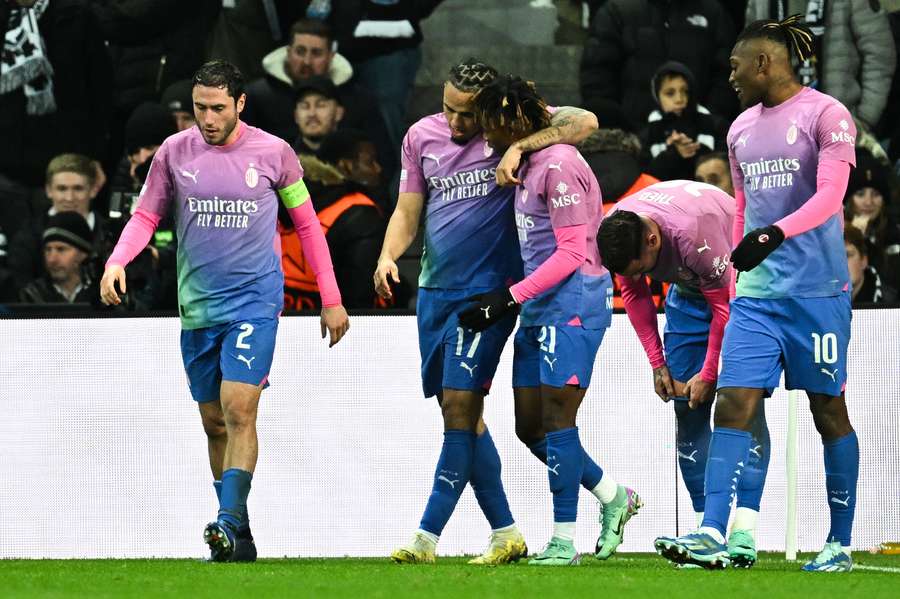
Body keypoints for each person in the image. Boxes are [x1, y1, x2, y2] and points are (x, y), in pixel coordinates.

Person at [99, 60, 350, 562]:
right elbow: (147, 213)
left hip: (255, 303)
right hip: (197, 308)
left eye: (217, 108)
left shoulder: (276, 154)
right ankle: (239, 531)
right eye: (198, 109)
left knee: (239, 407)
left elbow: (305, 227)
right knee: (214, 422)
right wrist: (116, 261)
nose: (207, 119)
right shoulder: (173, 152)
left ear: (240, 103)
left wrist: (331, 297)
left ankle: (226, 521)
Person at [373, 59, 601, 565]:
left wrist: (520, 145)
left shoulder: (506, 131)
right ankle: (509, 531)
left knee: (460, 408)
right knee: (462, 417)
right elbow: (409, 209)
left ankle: (425, 537)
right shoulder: (421, 137)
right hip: (435, 292)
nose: (455, 124)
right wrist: (389, 255)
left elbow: (585, 121)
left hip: (490, 295)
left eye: (467, 115)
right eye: (448, 110)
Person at [654, 16, 860, 572]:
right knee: (733, 402)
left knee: (828, 411)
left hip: (817, 293)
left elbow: (831, 197)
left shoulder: (827, 114)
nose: (731, 76)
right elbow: (743, 207)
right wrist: (744, 259)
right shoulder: (740, 127)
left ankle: (839, 543)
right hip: (758, 295)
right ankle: (712, 533)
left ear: (764, 62)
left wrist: (773, 235)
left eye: (736, 66)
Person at [467, 75, 640, 566]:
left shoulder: (559, 165)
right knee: (530, 427)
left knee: (560, 421)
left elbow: (569, 253)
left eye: (489, 128)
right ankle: (613, 496)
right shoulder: (536, 151)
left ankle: (563, 541)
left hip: (574, 305)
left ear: (510, 121)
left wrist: (508, 299)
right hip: (541, 305)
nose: (486, 139)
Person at [597, 180, 770, 567]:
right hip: (689, 291)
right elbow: (634, 295)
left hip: (742, 290)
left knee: (741, 405)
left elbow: (725, 308)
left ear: (653, 241)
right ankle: (702, 533)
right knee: (685, 407)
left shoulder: (694, 234)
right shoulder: (618, 231)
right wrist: (657, 363)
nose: (637, 274)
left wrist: (709, 372)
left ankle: (743, 530)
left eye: (641, 268)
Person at [242, 19, 395, 179]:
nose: (307, 61)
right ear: (288, 52)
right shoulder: (257, 96)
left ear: (331, 57)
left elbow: (384, 161)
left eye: (316, 53)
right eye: (300, 52)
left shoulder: (360, 100)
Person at [579, 0, 738, 130]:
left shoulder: (713, 12)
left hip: (700, 144)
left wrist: (708, 124)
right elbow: (597, 79)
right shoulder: (616, 11)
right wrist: (625, 132)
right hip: (634, 143)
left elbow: (727, 75)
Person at [280, 151, 384, 310]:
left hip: (269, 317)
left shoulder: (259, 203)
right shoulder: (359, 210)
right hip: (332, 319)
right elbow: (359, 289)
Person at [7, 153, 105, 292]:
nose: (69, 198)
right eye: (62, 189)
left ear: (94, 190)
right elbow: (20, 291)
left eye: (78, 188)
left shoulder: (112, 235)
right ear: (48, 190)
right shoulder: (27, 237)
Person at [640, 62, 724, 182]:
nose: (679, 99)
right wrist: (672, 154)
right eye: (670, 93)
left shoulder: (714, 124)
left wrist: (691, 150)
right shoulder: (649, 132)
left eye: (686, 91)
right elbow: (646, 177)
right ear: (657, 96)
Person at [843, 150, 900, 291]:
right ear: (849, 199)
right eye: (860, 194)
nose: (868, 202)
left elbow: (892, 283)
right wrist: (853, 236)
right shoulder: (832, 231)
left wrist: (865, 242)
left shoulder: (894, 234)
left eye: (876, 194)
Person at [19, 211, 99, 305]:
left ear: (82, 254)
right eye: (48, 250)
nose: (52, 259)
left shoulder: (103, 292)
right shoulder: (32, 295)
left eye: (61, 249)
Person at [845, 224, 897, 305]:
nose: (840, 264)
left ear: (863, 261)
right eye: (833, 257)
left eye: (847, 255)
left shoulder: (891, 302)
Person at [292, 77, 344, 154]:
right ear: (296, 116)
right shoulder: (282, 162)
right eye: (305, 106)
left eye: (320, 105)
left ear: (338, 113)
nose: (312, 113)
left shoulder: (358, 159)